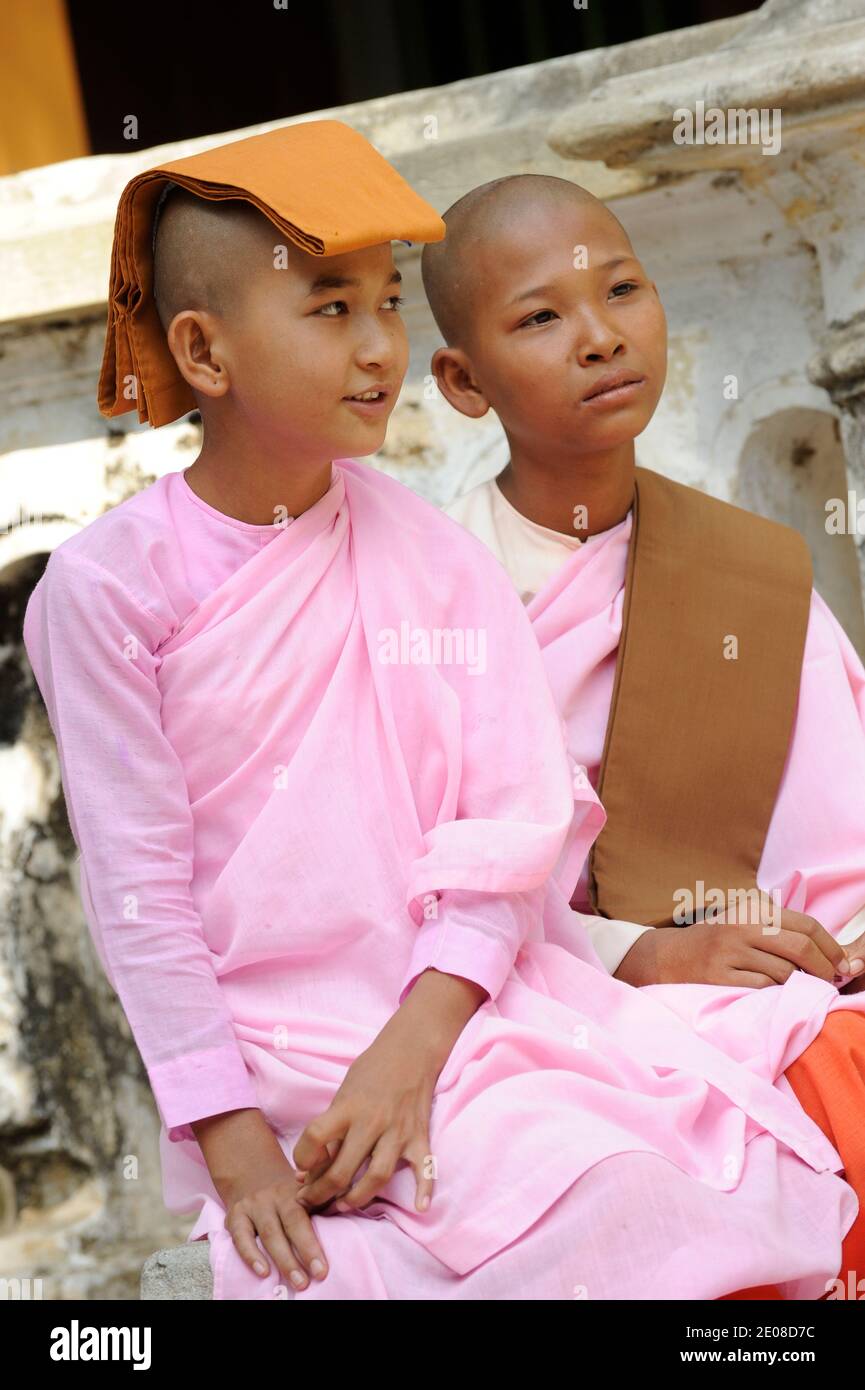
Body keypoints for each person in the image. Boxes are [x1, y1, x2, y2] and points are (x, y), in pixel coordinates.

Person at [21, 122, 864, 1302]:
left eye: (385, 307)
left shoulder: (424, 554)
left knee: (655, 1182)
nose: (378, 350)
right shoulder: (106, 592)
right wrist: (231, 1136)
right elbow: (138, 890)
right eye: (329, 310)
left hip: (463, 1018)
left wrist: (415, 1054)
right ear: (204, 352)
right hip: (280, 1059)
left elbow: (506, 834)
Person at [426, 172, 865, 1297]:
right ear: (462, 383)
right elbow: (422, 883)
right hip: (546, 1006)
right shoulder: (433, 599)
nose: (600, 337)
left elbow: (841, 833)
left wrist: (842, 943)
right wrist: (641, 954)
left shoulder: (750, 569)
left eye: (621, 289)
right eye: (541, 316)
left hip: (785, 976)